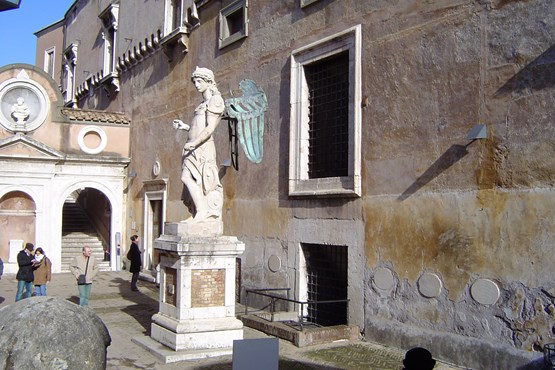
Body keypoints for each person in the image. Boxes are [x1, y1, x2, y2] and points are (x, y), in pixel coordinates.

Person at [173, 67, 225, 223]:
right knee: (189, 178)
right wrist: (185, 127)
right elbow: (198, 127)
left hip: (203, 148)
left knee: (193, 179)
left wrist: (194, 143)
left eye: (199, 81)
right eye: (194, 81)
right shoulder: (202, 104)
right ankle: (199, 212)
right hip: (192, 146)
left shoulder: (215, 101)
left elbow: (210, 128)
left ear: (208, 82)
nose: (196, 84)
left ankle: (203, 212)